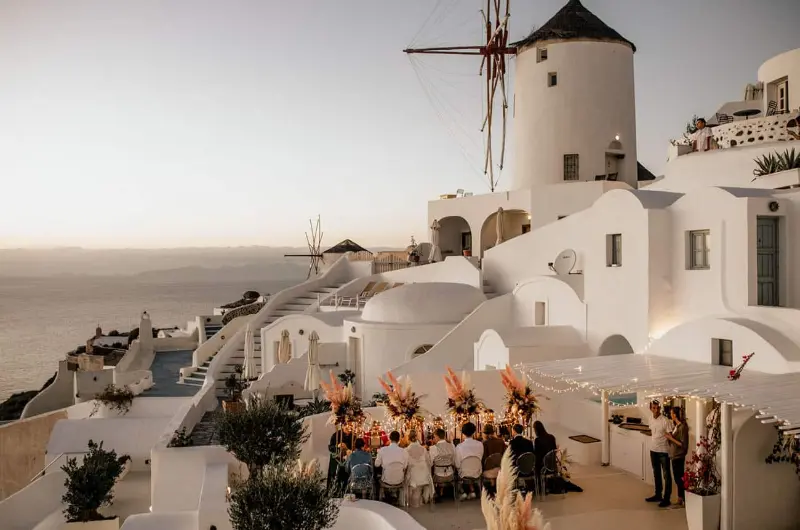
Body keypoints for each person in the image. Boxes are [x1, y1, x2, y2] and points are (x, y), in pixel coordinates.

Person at [646, 400, 674, 508]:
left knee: (666, 475)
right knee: (656, 473)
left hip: (663, 451)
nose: (656, 410)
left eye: (658, 408)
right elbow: (653, 432)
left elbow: (670, 436)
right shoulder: (650, 419)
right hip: (653, 450)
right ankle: (658, 495)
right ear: (651, 408)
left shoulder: (665, 421)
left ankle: (667, 499)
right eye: (654, 408)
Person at [665, 407, 689, 507]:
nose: (671, 415)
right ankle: (680, 499)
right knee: (678, 478)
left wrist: (670, 438)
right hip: (674, 455)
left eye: (672, 413)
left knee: (679, 479)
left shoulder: (682, 427)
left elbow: (682, 444)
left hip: (678, 456)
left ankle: (683, 499)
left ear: (675, 415)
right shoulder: (676, 426)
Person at [455, 422, 484, 500]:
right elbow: (480, 457)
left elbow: (457, 464)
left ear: (463, 433)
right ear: (474, 432)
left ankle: (462, 491)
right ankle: (472, 491)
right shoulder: (480, 444)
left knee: (458, 467)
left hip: (464, 473)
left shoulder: (459, 446)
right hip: (477, 471)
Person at [404, 430, 434, 507]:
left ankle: (408, 499)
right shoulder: (424, 449)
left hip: (413, 477)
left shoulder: (406, 450)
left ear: (408, 439)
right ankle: (424, 496)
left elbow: (404, 466)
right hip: (424, 476)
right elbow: (429, 463)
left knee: (407, 474)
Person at [428, 428, 456, 499]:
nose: (433, 439)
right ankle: (445, 492)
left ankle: (434, 493)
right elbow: (454, 462)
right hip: (450, 476)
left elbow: (430, 464)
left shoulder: (433, 448)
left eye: (434, 437)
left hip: (438, 476)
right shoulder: (452, 446)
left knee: (429, 472)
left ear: (437, 436)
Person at [327, 427, 355, 494]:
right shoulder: (336, 435)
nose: (348, 428)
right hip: (336, 460)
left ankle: (346, 491)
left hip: (347, 460)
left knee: (346, 475)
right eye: (346, 427)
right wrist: (338, 446)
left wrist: (347, 448)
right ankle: (334, 492)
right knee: (335, 476)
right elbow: (330, 447)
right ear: (343, 426)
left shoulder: (353, 436)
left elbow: (354, 448)